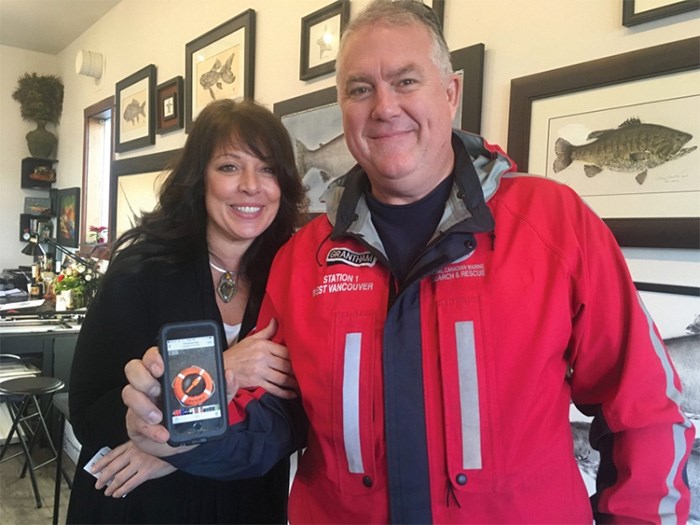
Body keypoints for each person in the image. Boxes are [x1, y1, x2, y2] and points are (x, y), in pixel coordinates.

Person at [123, 1, 695, 523]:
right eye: (359, 89)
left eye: (405, 81)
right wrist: (182, 426)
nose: (384, 107)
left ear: (450, 92)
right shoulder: (304, 258)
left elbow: (643, 408)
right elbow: (274, 418)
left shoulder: (553, 224)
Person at [67, 98, 308, 524]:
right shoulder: (141, 270)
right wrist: (221, 368)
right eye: (230, 167)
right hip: (147, 507)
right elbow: (88, 410)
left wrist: (177, 454)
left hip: (246, 499)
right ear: (199, 179)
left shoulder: (294, 271)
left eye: (268, 168)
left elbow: (305, 411)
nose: (251, 185)